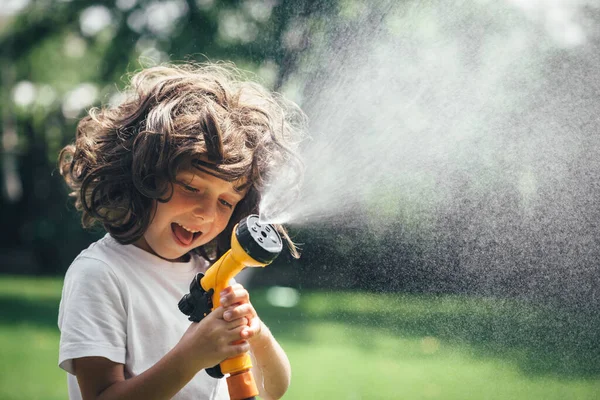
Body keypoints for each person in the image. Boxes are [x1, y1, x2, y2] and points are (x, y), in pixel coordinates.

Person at [57, 62, 305, 400]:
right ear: (144, 175)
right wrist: (191, 356)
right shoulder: (100, 275)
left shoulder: (209, 275)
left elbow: (273, 389)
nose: (205, 214)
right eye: (191, 187)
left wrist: (257, 334)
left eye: (226, 202)